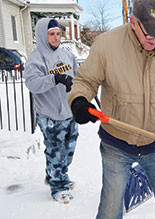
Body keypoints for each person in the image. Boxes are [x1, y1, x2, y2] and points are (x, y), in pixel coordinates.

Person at [68, 0, 155, 218]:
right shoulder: (107, 45)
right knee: (109, 211)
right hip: (116, 145)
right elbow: (85, 81)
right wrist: (79, 100)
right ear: (133, 23)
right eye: (150, 35)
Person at [24, 18, 78, 204]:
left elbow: (77, 76)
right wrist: (55, 78)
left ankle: (56, 175)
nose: (56, 38)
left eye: (57, 34)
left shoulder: (66, 55)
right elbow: (32, 84)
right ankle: (58, 186)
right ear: (42, 35)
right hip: (49, 115)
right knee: (56, 151)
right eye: (51, 34)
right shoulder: (35, 59)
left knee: (69, 150)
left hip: (69, 111)